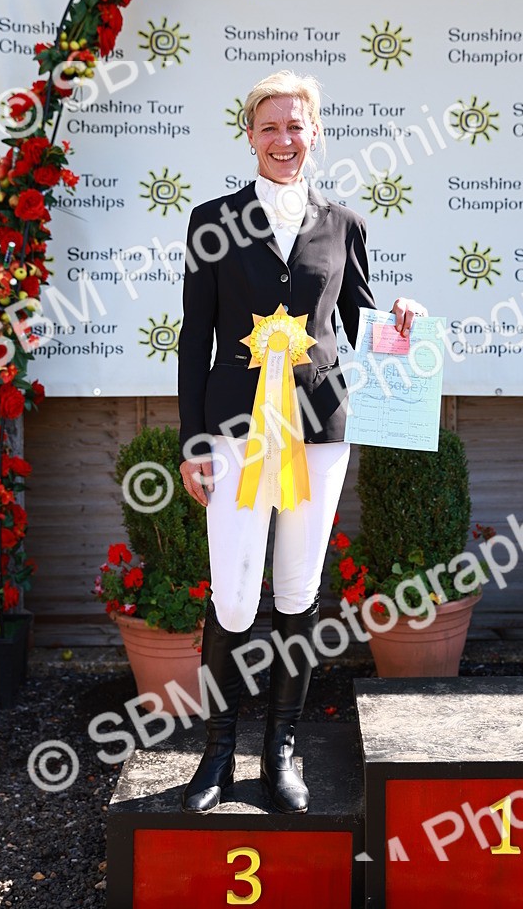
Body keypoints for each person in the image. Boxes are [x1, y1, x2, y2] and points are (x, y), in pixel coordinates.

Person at [177, 70, 422, 815]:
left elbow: (362, 317)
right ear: (250, 135)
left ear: (316, 133)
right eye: (270, 127)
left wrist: (402, 315)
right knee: (233, 593)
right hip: (234, 431)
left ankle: (280, 753)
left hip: (319, 429)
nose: (284, 139)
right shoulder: (210, 220)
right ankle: (216, 756)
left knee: (297, 592)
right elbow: (194, 340)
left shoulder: (345, 224)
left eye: (297, 126)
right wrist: (191, 441)